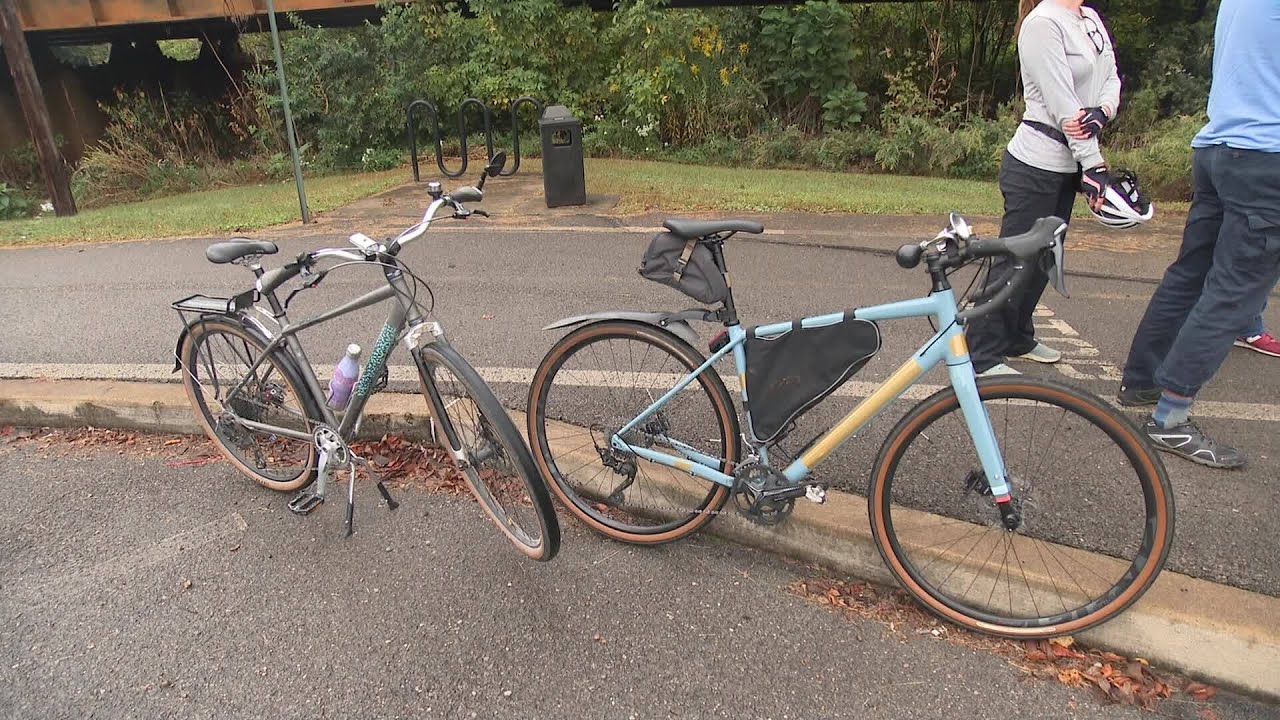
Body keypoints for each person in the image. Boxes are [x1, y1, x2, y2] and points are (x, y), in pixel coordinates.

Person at [1116, 0, 1279, 468]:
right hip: (1266, 155)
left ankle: (1142, 378)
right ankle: (1170, 418)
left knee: (1189, 275)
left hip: (1218, 147)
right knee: (1234, 293)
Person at [967, 0, 1122, 376]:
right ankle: (980, 352)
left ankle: (1017, 336)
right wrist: (1095, 166)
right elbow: (1065, 109)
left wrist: (1103, 111)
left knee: (1043, 259)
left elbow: (1112, 78)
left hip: (1067, 164)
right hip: (1035, 163)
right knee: (1014, 260)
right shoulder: (1042, 23)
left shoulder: (1088, 18)